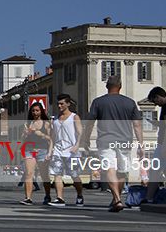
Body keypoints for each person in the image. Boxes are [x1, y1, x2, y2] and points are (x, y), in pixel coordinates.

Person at [80, 74, 142, 213]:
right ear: (120, 86)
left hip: (106, 140)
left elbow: (90, 123)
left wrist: (85, 139)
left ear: (107, 86)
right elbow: (137, 125)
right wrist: (141, 144)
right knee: (121, 172)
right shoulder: (130, 102)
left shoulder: (98, 102)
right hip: (125, 140)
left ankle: (117, 199)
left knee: (109, 169)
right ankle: (116, 199)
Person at [47, 93, 84, 207]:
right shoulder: (55, 119)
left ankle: (80, 195)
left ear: (68, 104)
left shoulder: (74, 117)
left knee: (74, 175)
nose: (59, 106)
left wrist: (77, 145)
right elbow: (52, 137)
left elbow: (80, 133)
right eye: (58, 104)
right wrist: (50, 150)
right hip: (58, 150)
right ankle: (60, 198)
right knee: (57, 175)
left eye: (62, 104)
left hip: (71, 151)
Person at [19, 101, 52, 205]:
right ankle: (28, 198)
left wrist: (49, 152)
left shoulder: (46, 124)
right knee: (29, 174)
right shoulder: (27, 124)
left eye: (37, 110)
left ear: (41, 111)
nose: (35, 112)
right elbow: (22, 140)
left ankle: (47, 195)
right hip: (29, 150)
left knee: (44, 175)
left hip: (43, 150)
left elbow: (51, 139)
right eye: (33, 110)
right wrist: (24, 134)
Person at [146, 86, 166, 204]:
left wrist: (163, 145)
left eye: (155, 101)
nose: (155, 104)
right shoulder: (164, 107)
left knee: (154, 170)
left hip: (163, 143)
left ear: (158, 96)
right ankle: (149, 197)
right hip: (162, 142)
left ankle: (149, 197)